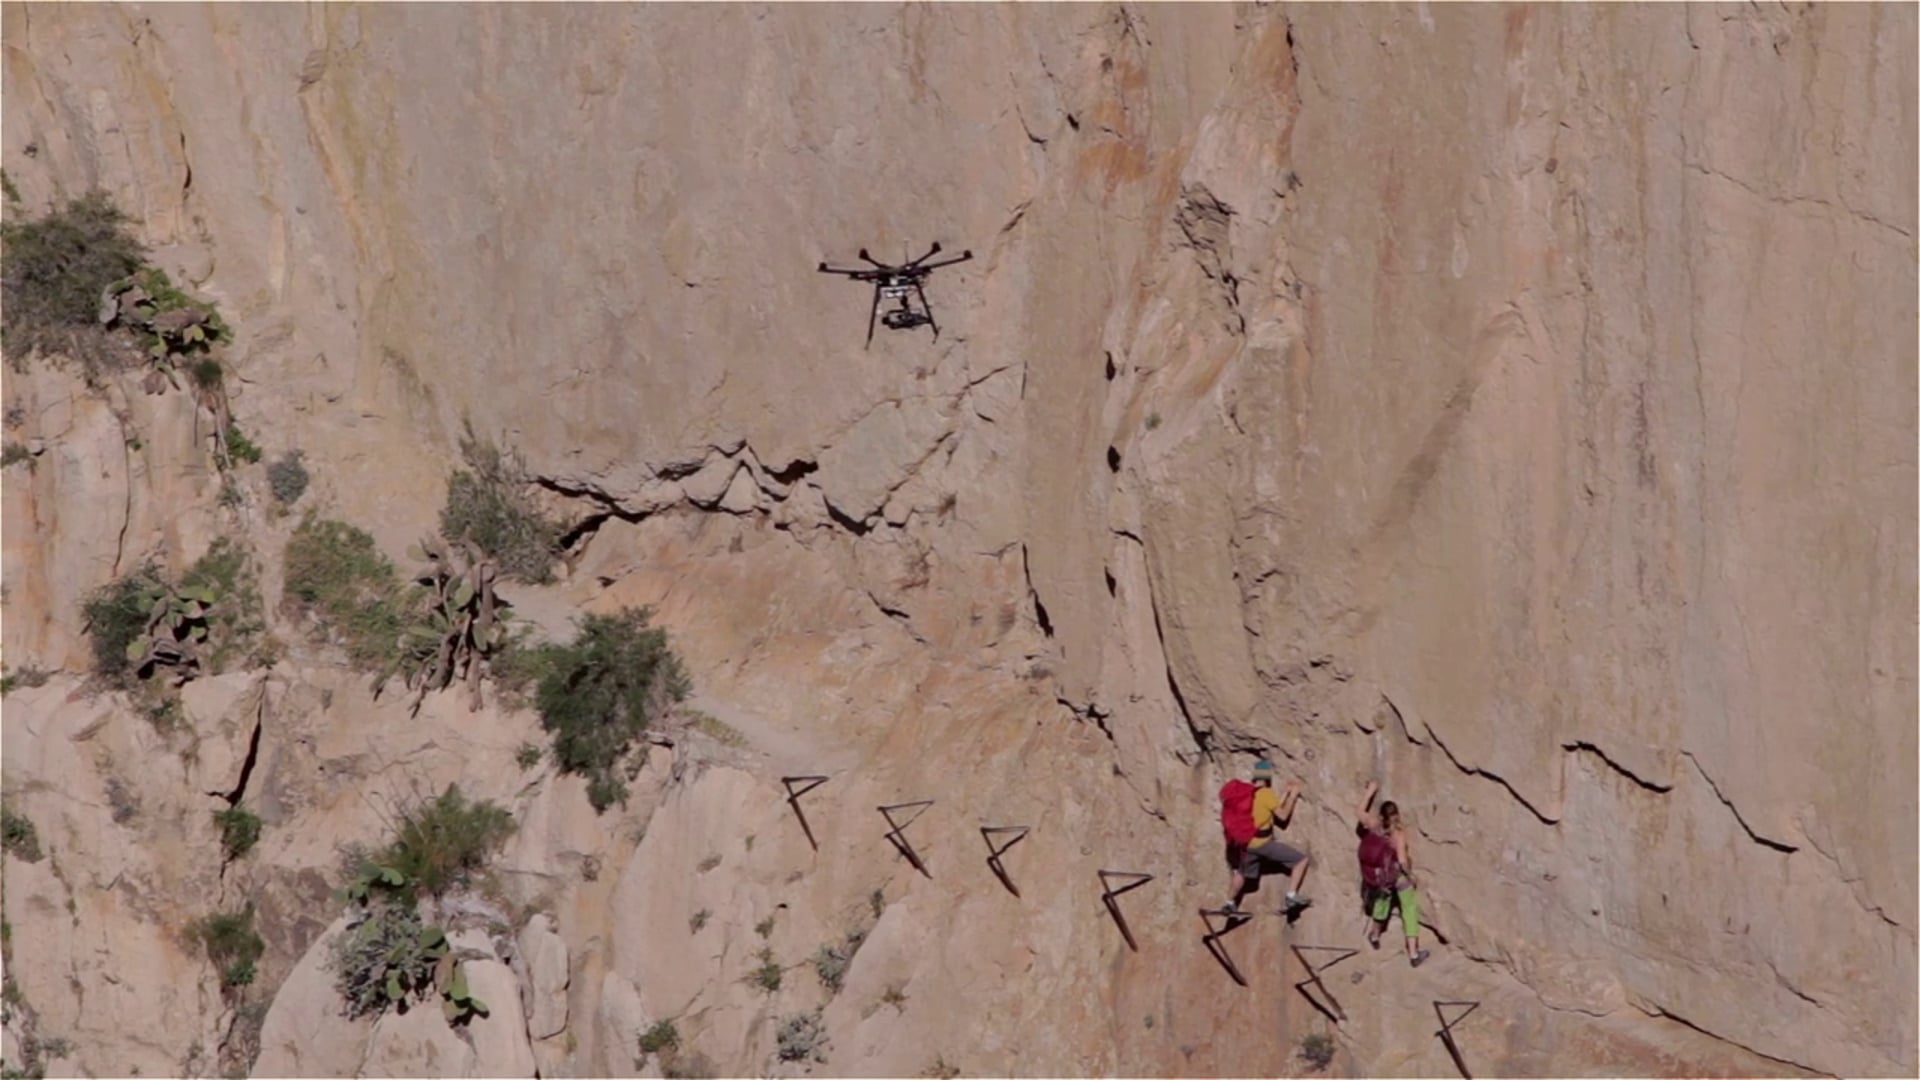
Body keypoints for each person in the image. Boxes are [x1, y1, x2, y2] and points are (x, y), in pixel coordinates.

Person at [1356, 779, 1429, 967]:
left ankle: (1374, 935)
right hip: (1396, 876)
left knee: (1381, 904)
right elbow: (1403, 861)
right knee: (1409, 909)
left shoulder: (1373, 824)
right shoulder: (1398, 834)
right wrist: (1411, 877)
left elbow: (1359, 812)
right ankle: (1413, 954)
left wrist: (1371, 790)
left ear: (1381, 816)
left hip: (1381, 880)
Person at [1226, 759, 1312, 915]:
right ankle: (1291, 896)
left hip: (1246, 843)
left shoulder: (1248, 793)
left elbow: (1269, 809)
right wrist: (1293, 796)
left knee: (1241, 873)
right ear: (1268, 777)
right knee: (1301, 860)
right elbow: (1282, 816)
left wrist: (1284, 794)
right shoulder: (1266, 794)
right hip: (1262, 844)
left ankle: (1229, 903)